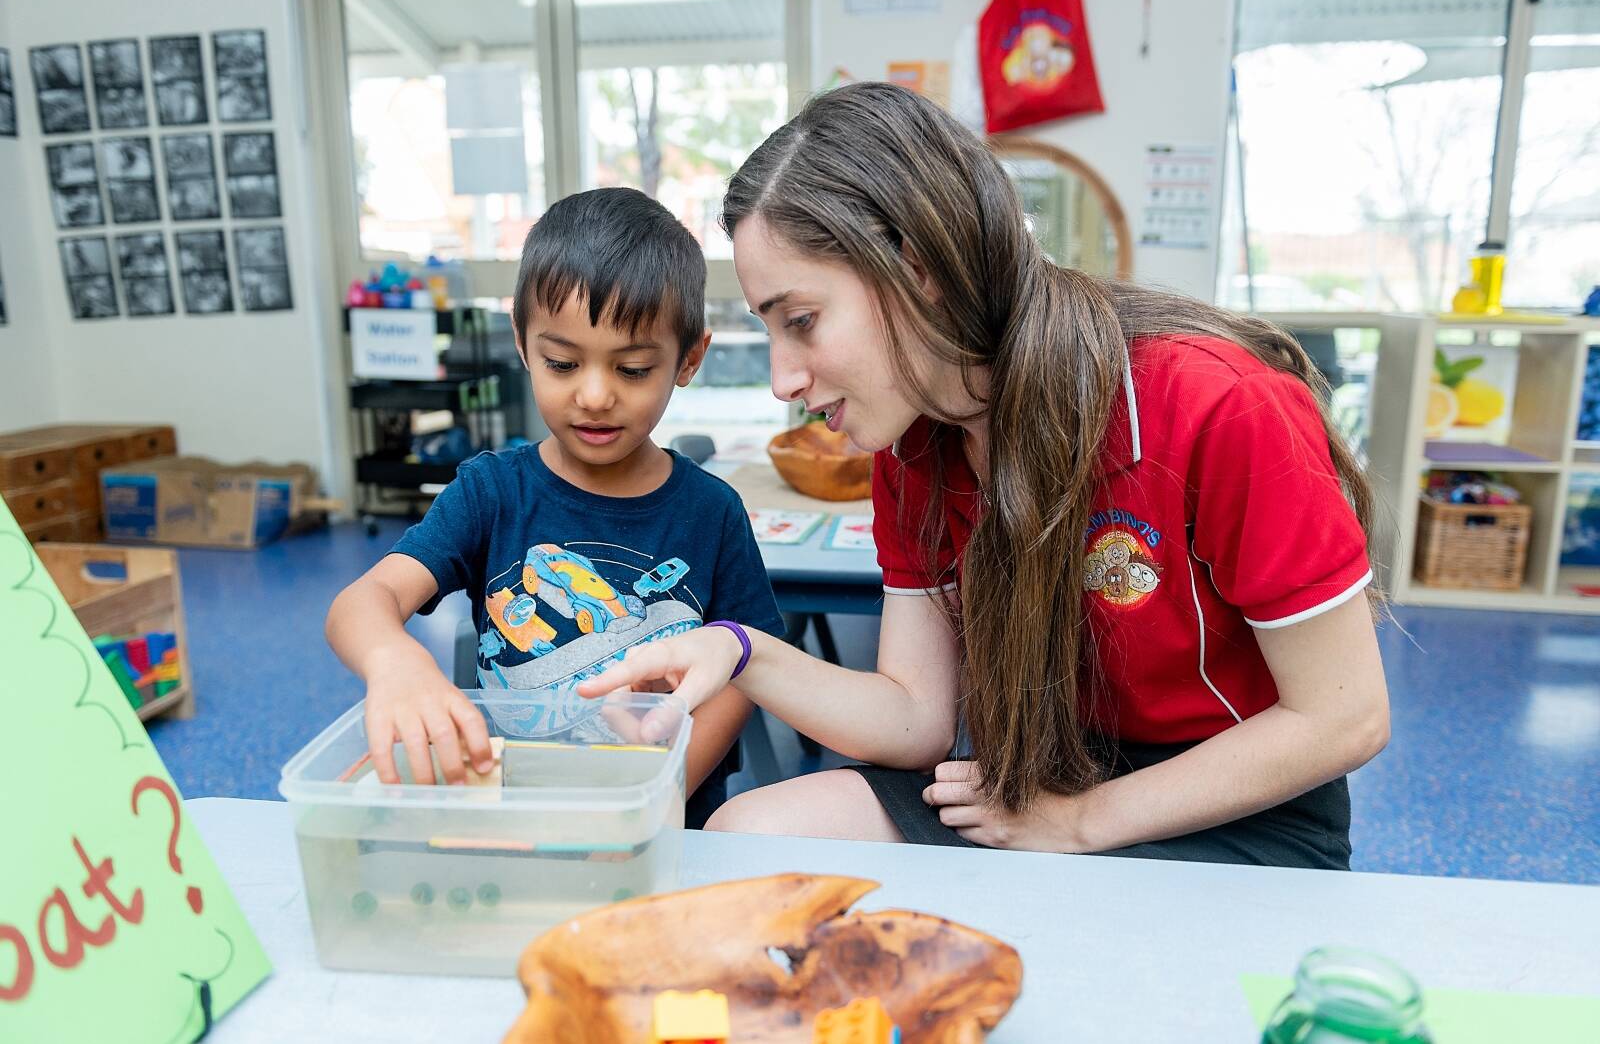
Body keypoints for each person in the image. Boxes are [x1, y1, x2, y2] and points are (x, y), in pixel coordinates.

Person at [579, 84, 1390, 868]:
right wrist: (743, 649)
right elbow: (915, 720)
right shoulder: (911, 445)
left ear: (919, 268)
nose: (783, 380)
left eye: (803, 321)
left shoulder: (1217, 405)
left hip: (1234, 802)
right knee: (748, 831)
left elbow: (1343, 717)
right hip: (1041, 785)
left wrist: (1080, 823)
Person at [327, 187, 784, 826]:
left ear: (689, 360)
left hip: (666, 828)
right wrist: (394, 660)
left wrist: (657, 794)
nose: (594, 396)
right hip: (521, 821)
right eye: (563, 363)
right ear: (522, 342)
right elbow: (360, 604)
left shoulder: (713, 513)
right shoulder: (491, 494)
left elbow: (743, 672)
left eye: (631, 370)